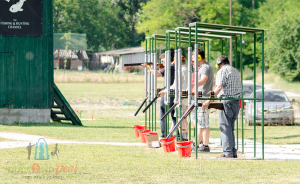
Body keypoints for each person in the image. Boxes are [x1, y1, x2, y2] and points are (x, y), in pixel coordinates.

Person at [202, 55, 242, 158]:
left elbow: (219, 87)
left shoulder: (221, 71)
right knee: (230, 128)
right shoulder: (235, 70)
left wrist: (208, 101)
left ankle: (228, 153)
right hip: (236, 102)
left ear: (218, 64)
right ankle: (232, 152)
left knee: (225, 127)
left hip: (226, 101)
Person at [141, 52, 176, 138]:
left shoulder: (169, 67)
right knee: (175, 115)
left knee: (163, 114)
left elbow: (157, 74)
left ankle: (164, 135)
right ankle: (178, 134)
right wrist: (160, 67)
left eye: (163, 61)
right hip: (174, 93)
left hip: (168, 93)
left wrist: (149, 67)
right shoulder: (174, 67)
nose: (162, 62)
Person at [158, 55, 189, 140]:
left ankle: (183, 138)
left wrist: (165, 91)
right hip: (185, 96)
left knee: (181, 118)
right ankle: (178, 136)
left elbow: (175, 85)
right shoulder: (188, 69)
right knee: (182, 118)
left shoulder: (180, 71)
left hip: (179, 96)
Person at [190, 48, 214, 152]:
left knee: (204, 123)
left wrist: (191, 85)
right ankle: (198, 143)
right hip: (202, 97)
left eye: (193, 59)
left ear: (199, 57)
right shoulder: (204, 67)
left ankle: (205, 145)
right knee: (200, 123)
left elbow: (203, 80)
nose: (192, 62)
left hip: (204, 98)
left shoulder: (204, 67)